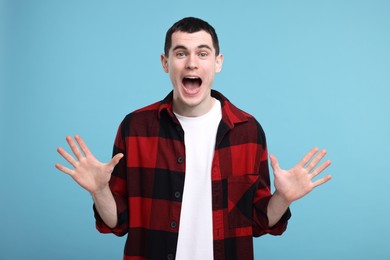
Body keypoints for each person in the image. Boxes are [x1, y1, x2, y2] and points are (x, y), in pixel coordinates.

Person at [55, 17, 332, 260]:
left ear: (217, 62)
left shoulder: (248, 131)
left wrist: (283, 198)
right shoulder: (135, 127)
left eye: (202, 53)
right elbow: (117, 223)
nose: (191, 63)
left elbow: (259, 224)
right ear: (165, 63)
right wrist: (99, 191)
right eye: (180, 53)